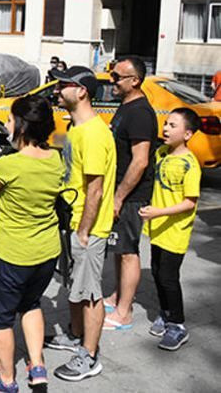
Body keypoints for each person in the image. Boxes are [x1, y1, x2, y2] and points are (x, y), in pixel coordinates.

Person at [0, 95, 64, 392]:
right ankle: (37, 366)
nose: (8, 125)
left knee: (0, 319)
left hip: (12, 254)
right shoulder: (55, 159)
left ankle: (6, 379)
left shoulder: (10, 164)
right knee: (31, 304)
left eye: (11, 121)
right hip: (47, 251)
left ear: (22, 127)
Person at [46, 66, 116, 382]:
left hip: (88, 228)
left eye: (63, 87)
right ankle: (75, 335)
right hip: (72, 221)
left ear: (82, 91)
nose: (57, 92)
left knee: (89, 293)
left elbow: (96, 188)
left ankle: (88, 355)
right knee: (74, 285)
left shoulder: (95, 134)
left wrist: (85, 230)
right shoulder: (76, 128)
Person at [139, 108, 201, 351]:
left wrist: (158, 212)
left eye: (173, 126)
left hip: (175, 231)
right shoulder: (162, 152)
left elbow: (190, 202)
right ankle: (165, 314)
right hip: (158, 229)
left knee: (168, 277)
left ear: (187, 134)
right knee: (156, 272)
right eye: (166, 123)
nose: (165, 129)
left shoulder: (189, 165)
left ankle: (178, 324)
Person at [103, 57, 157, 331]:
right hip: (120, 191)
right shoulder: (126, 107)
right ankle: (117, 296)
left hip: (132, 195)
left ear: (134, 80)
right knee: (118, 246)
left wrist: (119, 197)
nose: (111, 81)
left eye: (117, 77)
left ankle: (124, 312)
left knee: (128, 251)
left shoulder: (139, 112)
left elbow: (140, 161)